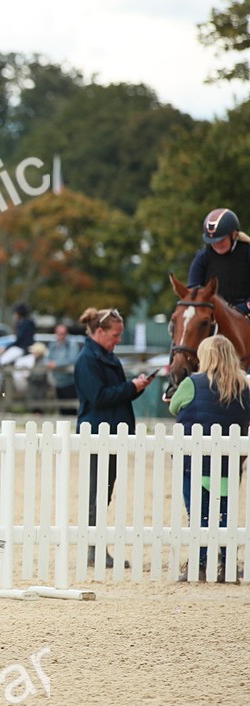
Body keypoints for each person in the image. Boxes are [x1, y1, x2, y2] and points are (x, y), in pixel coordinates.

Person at [168, 335, 250, 583]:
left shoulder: (192, 382)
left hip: (195, 462)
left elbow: (174, 408)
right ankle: (227, 563)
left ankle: (199, 563)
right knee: (225, 515)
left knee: (199, 516)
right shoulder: (243, 387)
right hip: (229, 464)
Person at [75, 307, 153, 567]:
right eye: (116, 334)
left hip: (111, 432)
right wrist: (131, 387)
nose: (118, 339)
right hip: (98, 433)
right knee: (97, 495)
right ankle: (94, 550)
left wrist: (136, 388)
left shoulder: (106, 356)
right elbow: (99, 397)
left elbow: (114, 395)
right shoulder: (88, 359)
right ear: (100, 331)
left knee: (103, 494)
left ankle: (97, 549)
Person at [186, 208, 250, 315]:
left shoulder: (247, 252)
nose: (217, 244)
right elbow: (193, 290)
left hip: (245, 311)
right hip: (214, 312)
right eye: (213, 241)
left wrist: (244, 307)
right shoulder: (202, 257)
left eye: (221, 240)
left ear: (233, 234)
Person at [45, 323, 81, 409]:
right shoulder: (53, 345)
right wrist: (49, 363)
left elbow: (73, 359)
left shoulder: (72, 344)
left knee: (70, 409)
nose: (61, 336)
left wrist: (56, 364)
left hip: (70, 382)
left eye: (63, 333)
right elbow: (47, 358)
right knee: (61, 409)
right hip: (58, 382)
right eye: (59, 333)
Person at [0, 302, 35, 366]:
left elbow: (19, 340)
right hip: (20, 347)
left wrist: (7, 348)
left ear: (19, 313)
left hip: (22, 348)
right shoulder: (22, 323)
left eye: (15, 313)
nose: (14, 315)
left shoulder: (26, 323)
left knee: (2, 361)